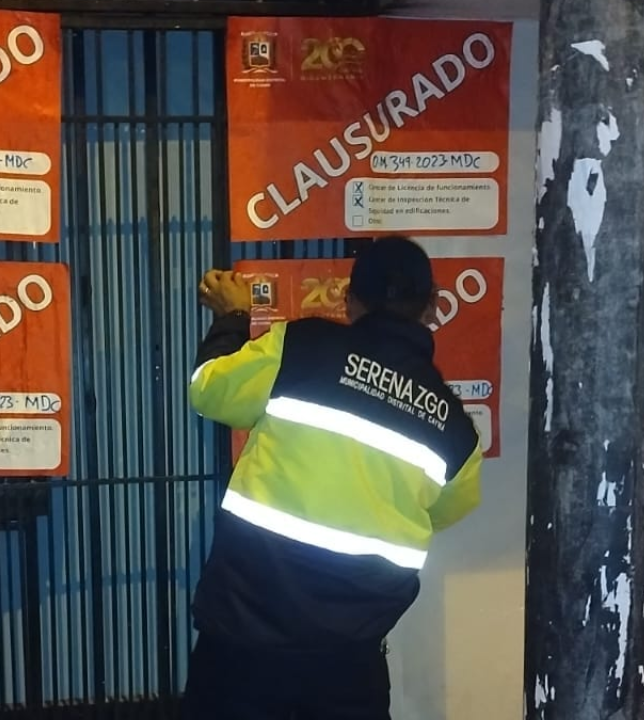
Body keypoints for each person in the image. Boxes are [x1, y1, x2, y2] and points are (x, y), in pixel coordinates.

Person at [182, 236, 483, 719]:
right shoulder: (456, 432)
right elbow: (446, 511)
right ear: (430, 306)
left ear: (348, 299)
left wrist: (233, 316)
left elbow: (209, 391)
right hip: (350, 665)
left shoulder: (302, 346)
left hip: (243, 643)